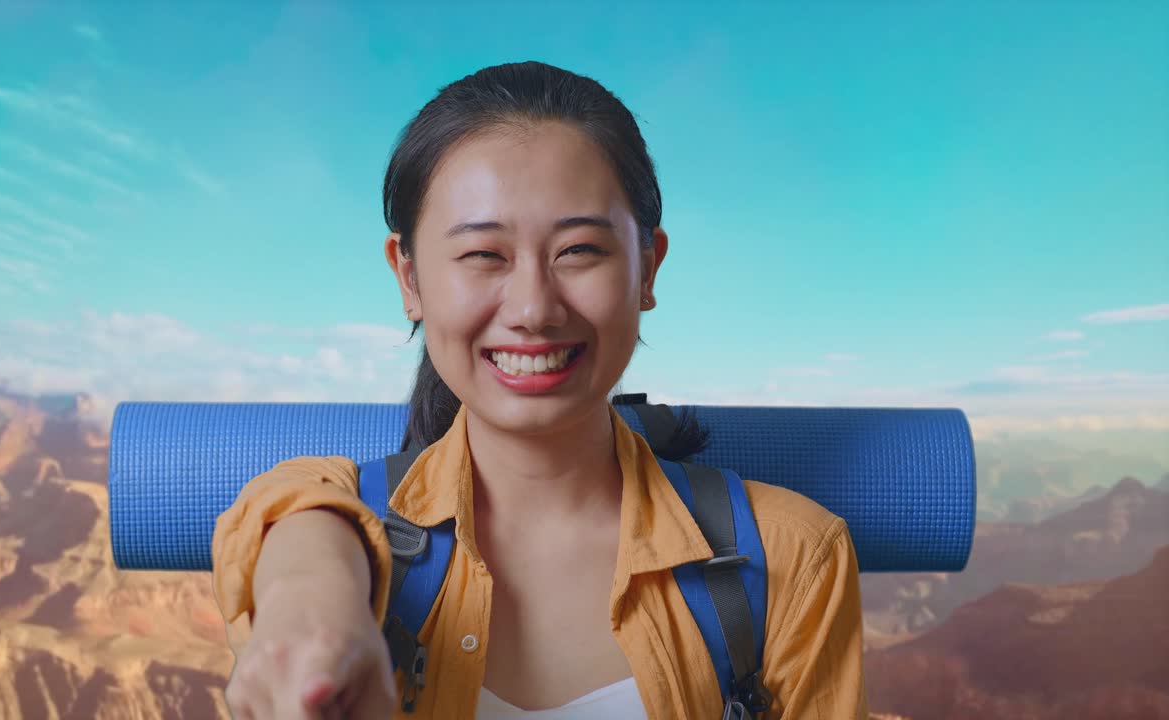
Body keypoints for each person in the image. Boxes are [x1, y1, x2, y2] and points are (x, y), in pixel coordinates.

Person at [212, 60, 867, 720]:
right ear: (408, 279)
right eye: (483, 255)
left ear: (648, 267)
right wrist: (315, 604)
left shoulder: (794, 559)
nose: (533, 308)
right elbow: (292, 512)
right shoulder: (332, 524)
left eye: (579, 250)